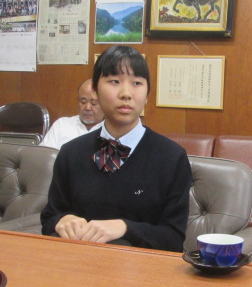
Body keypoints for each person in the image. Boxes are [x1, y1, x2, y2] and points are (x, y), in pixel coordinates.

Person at [40, 46, 192, 251]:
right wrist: (62, 220)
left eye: (137, 83)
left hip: (141, 266)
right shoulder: (71, 153)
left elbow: (173, 238)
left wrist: (125, 228)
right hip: (77, 261)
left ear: (147, 95)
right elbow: (50, 217)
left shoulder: (171, 157)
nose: (126, 93)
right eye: (114, 81)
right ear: (95, 90)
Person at [40, 78, 104, 150]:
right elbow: (43, 154)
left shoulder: (110, 129)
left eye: (94, 103)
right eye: (83, 102)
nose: (87, 108)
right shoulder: (61, 125)